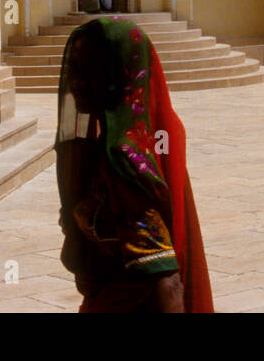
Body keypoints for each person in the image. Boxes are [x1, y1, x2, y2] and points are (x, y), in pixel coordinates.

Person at [56, 17, 213, 312]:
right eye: (72, 69)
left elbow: (167, 281)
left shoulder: (126, 163)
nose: (75, 82)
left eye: (88, 69)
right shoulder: (105, 149)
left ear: (117, 75)